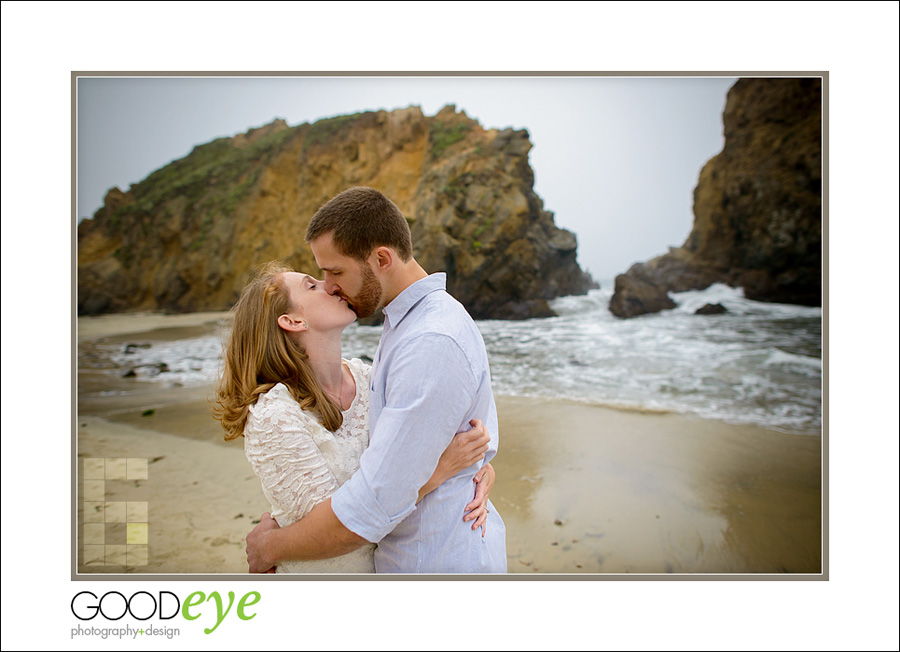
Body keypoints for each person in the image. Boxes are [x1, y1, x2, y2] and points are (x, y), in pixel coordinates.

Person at [245, 186, 507, 573]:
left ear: (382, 258)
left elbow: (374, 504)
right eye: (319, 277)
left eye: (335, 272)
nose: (331, 285)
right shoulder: (406, 325)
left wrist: (269, 547)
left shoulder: (429, 340)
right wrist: (468, 467)